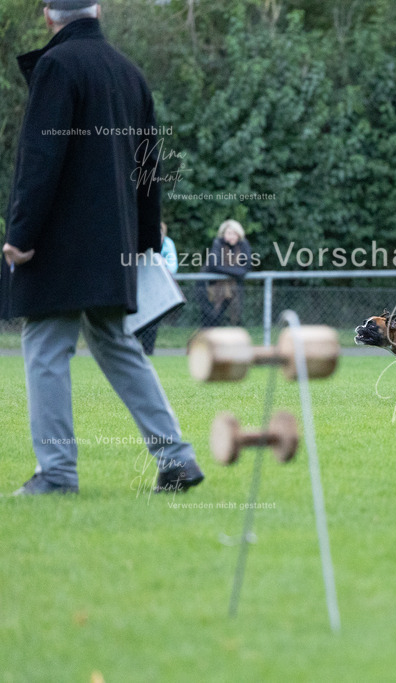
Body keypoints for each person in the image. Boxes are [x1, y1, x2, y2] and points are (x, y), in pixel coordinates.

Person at [0, 0, 203, 495]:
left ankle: (57, 474)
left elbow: (41, 157)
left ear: (49, 16)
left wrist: (20, 235)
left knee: (46, 347)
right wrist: (145, 241)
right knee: (117, 344)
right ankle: (176, 458)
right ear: (98, 10)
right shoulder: (128, 73)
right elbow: (149, 168)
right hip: (113, 246)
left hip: (60, 246)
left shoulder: (56, 65)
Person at [134, 221, 178, 354]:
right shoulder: (138, 242)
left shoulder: (167, 244)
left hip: (157, 288)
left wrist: (159, 264)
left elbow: (172, 267)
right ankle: (134, 350)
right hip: (139, 287)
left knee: (153, 321)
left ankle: (149, 351)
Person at [198, 219, 252, 327]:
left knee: (227, 317)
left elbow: (247, 266)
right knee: (210, 318)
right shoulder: (218, 243)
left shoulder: (243, 244)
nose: (232, 236)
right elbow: (214, 265)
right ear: (223, 234)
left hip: (230, 288)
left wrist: (230, 271)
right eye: (229, 233)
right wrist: (237, 272)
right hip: (209, 286)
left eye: (234, 233)